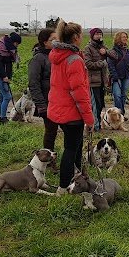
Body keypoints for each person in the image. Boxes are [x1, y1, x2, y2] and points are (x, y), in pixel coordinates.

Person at [48, 19, 93, 196]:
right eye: (81, 35)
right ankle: (63, 187)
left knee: (76, 145)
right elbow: (79, 93)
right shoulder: (74, 60)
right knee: (71, 149)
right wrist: (89, 118)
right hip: (72, 113)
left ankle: (78, 177)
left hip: (59, 110)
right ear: (75, 37)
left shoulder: (58, 56)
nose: (82, 38)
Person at [28, 28, 59, 153]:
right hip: (47, 102)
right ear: (45, 42)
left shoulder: (57, 55)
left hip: (59, 100)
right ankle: (47, 158)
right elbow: (33, 84)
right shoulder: (38, 59)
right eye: (53, 39)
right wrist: (41, 105)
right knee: (51, 131)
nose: (56, 41)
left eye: (57, 38)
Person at [0, 31, 22, 124]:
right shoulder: (0, 47)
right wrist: (4, 76)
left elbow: (9, 64)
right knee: (7, 96)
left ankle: (2, 117)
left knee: (2, 96)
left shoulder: (10, 49)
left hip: (5, 77)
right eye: (16, 43)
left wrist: (8, 77)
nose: (17, 46)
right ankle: (3, 118)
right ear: (12, 41)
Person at [83, 27, 110, 132]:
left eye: (100, 34)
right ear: (92, 36)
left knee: (100, 104)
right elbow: (88, 63)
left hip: (102, 80)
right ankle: (96, 126)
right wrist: (101, 63)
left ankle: (97, 123)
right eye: (97, 34)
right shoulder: (88, 48)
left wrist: (106, 53)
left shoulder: (103, 47)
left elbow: (113, 56)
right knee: (94, 104)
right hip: (93, 81)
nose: (99, 36)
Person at [107, 31, 129, 117]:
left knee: (124, 96)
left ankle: (120, 114)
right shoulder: (113, 51)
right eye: (123, 37)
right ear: (118, 38)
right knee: (117, 96)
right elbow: (110, 65)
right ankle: (119, 114)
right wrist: (114, 76)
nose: (125, 38)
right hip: (117, 77)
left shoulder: (128, 52)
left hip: (126, 76)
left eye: (126, 37)